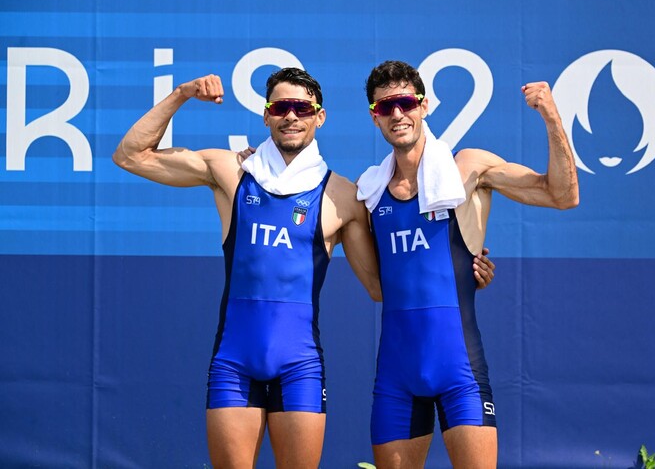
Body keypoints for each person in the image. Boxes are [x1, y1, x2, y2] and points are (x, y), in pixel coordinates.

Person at [112, 67, 495, 468]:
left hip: (300, 368)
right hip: (233, 363)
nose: (291, 116)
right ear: (266, 116)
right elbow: (130, 155)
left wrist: (464, 269)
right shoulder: (232, 173)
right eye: (280, 107)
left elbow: (383, 285)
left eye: (301, 108)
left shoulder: (343, 196)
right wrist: (181, 94)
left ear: (319, 116)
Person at [357, 60, 579, 468]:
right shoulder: (369, 193)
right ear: (375, 116)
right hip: (396, 376)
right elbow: (377, 284)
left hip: (459, 370)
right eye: (385, 107)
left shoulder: (468, 169)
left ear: (423, 106)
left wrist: (551, 116)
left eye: (406, 102)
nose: (397, 114)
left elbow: (562, 195)